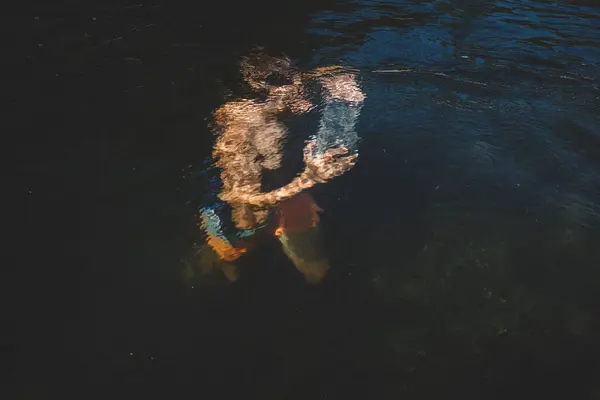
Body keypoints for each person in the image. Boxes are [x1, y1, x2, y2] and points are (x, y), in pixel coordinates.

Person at [187, 52, 365, 284]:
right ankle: (206, 264)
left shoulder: (273, 104)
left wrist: (342, 81)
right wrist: (307, 180)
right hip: (239, 219)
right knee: (232, 262)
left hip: (279, 189)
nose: (306, 101)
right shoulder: (238, 133)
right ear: (263, 91)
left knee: (317, 269)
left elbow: (328, 76)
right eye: (295, 91)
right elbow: (240, 196)